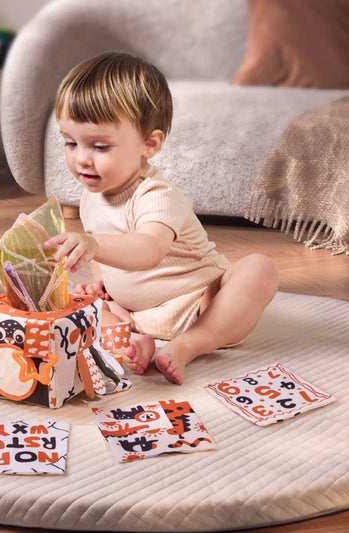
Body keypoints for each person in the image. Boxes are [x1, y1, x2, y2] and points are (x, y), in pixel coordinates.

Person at [44, 52, 279, 385]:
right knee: (75, 305)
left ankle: (189, 345)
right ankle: (133, 343)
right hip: (136, 315)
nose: (81, 158)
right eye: (70, 143)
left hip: (199, 304)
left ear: (149, 144)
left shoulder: (158, 196)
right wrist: (101, 285)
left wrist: (93, 245)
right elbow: (105, 251)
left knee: (259, 269)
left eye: (99, 146)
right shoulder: (89, 196)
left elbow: (147, 250)